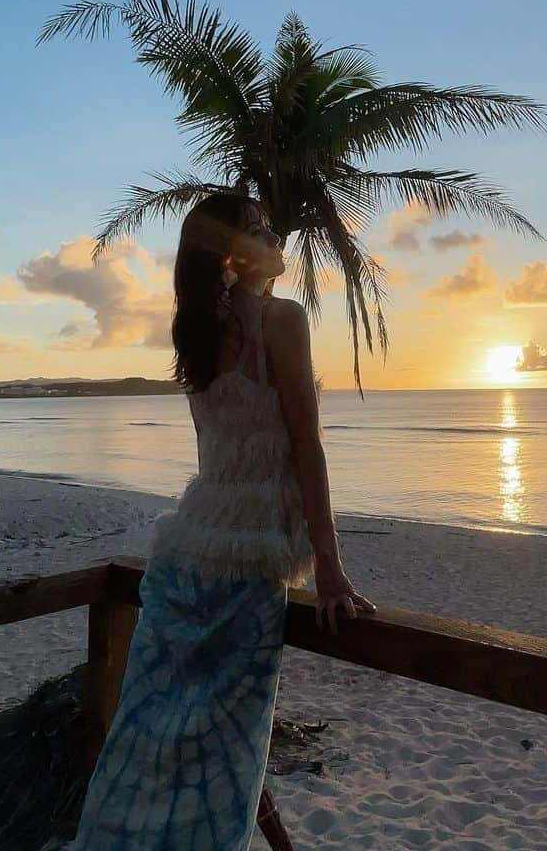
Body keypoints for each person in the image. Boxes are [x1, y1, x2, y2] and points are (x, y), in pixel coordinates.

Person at [69, 192, 376, 849]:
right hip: (249, 564)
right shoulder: (282, 322)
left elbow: (223, 453)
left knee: (148, 743)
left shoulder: (194, 334)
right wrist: (329, 563)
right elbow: (305, 446)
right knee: (228, 753)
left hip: (187, 557)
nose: (277, 237)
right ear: (235, 254)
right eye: (263, 229)